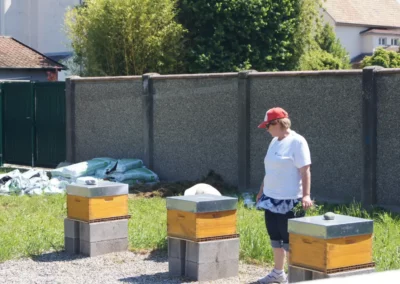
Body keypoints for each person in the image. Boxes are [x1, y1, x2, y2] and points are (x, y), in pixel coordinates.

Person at [256, 107, 313, 284]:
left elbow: (305, 171)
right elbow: (270, 170)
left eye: (267, 126)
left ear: (278, 124)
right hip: (270, 198)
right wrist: (261, 191)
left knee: (289, 241)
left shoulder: (297, 141)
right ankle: (278, 273)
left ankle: (294, 278)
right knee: (275, 237)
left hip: (290, 200)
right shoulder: (274, 141)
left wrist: (306, 195)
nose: (266, 130)